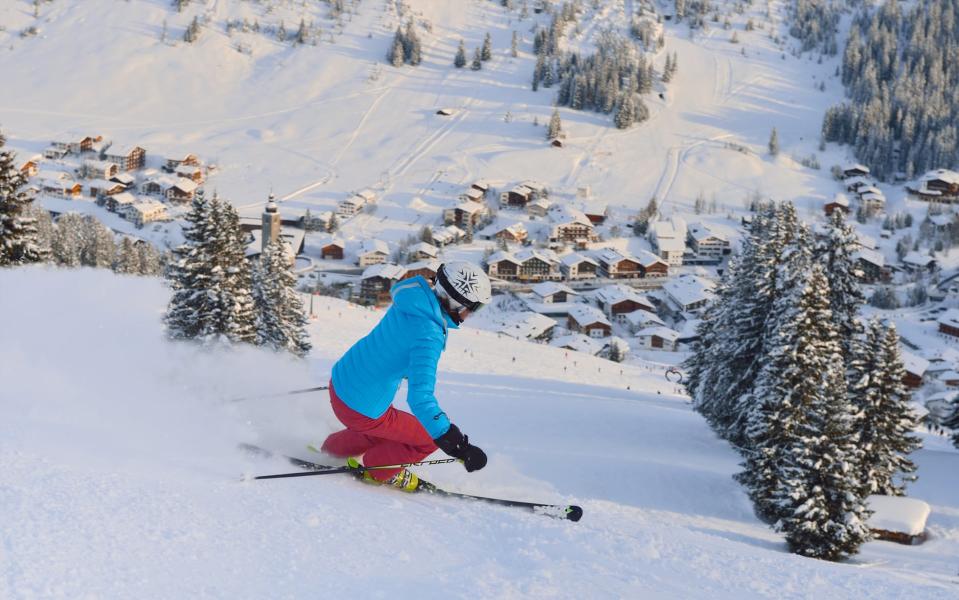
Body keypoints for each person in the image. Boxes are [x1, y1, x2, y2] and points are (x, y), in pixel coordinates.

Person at [320, 261, 491, 492]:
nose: (472, 313)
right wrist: (457, 446)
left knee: (385, 429)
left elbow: (395, 344)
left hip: (341, 381)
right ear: (457, 302)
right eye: (475, 307)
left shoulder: (412, 300)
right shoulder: (428, 335)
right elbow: (420, 399)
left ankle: (331, 450)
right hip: (360, 409)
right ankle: (376, 470)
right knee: (426, 439)